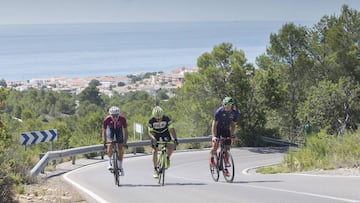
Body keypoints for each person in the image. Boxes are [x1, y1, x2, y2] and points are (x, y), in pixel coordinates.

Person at [209, 96, 239, 177]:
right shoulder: (219, 111)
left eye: (228, 105)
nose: (226, 106)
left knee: (227, 148)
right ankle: (212, 158)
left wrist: (232, 135)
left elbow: (233, 125)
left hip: (226, 129)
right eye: (225, 104)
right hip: (217, 129)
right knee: (215, 145)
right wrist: (214, 137)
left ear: (231, 105)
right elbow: (214, 125)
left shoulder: (235, 113)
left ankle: (225, 167)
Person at [148, 106, 178, 179]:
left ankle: (167, 158)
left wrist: (175, 138)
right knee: (154, 151)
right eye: (157, 119)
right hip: (155, 134)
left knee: (170, 146)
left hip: (165, 133)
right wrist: (153, 138)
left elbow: (171, 129)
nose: (158, 120)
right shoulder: (151, 120)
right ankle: (155, 169)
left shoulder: (166, 119)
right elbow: (150, 132)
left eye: (160, 118)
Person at [102, 106, 129, 176]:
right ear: (110, 115)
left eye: (116, 116)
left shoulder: (122, 119)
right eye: (113, 116)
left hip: (118, 129)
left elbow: (126, 131)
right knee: (110, 144)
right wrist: (104, 142)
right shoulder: (106, 120)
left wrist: (125, 142)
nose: (115, 118)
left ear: (118, 115)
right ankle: (109, 163)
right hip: (110, 129)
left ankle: (120, 166)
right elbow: (104, 132)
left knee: (120, 147)